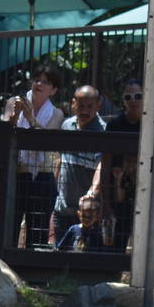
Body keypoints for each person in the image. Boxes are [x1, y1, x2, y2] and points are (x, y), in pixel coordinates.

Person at [4, 67, 63, 247]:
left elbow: (45, 140)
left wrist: (29, 118)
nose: (39, 84)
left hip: (42, 177)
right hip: (17, 173)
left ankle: (32, 272)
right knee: (10, 226)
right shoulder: (13, 102)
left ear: (53, 90)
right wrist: (14, 116)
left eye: (45, 82)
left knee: (38, 231)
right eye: (37, 79)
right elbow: (4, 132)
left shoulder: (57, 113)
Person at [51, 85, 106, 243]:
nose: (85, 111)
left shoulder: (103, 132)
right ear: (73, 103)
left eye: (90, 106)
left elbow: (101, 166)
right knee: (59, 255)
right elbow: (60, 161)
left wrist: (91, 194)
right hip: (62, 208)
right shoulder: (67, 125)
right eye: (81, 106)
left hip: (87, 212)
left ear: (98, 106)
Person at [99, 79, 143, 251]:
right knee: (115, 243)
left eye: (138, 96)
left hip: (144, 193)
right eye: (128, 97)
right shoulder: (115, 125)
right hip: (119, 192)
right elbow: (106, 163)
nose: (133, 100)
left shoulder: (153, 124)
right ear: (123, 100)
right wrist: (105, 202)